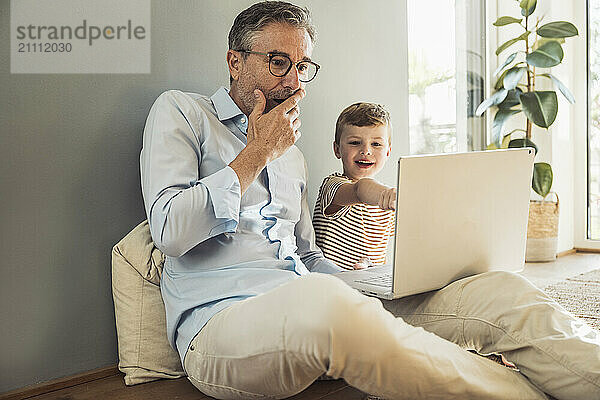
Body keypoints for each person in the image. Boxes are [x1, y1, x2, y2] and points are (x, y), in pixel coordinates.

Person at [140, 2, 600, 399]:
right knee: (327, 303)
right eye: (279, 62)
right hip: (221, 327)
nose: (294, 82)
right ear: (235, 62)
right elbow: (170, 231)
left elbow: (304, 254)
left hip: (314, 300)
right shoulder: (181, 112)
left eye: (303, 67)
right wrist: (259, 152)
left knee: (496, 291)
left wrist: (378, 286)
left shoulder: (293, 157)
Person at [313, 102, 396, 270]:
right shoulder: (333, 186)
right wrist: (390, 195)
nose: (366, 150)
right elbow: (360, 189)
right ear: (337, 149)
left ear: (388, 152)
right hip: (332, 283)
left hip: (367, 284)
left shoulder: (388, 202)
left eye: (376, 144)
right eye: (355, 142)